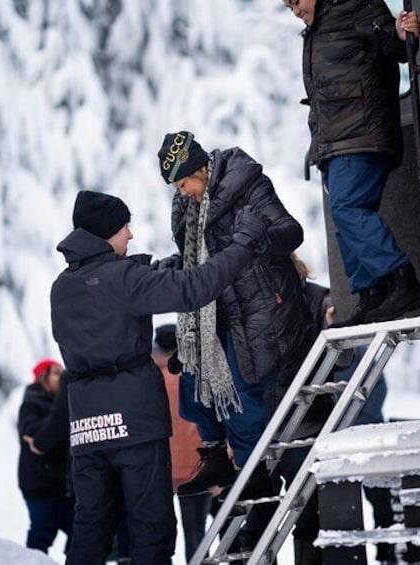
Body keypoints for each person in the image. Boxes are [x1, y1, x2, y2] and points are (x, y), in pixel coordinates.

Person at [49, 189, 269, 565]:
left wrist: (150, 271)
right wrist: (242, 243)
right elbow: (194, 288)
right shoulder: (124, 279)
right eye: (124, 228)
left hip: (86, 426)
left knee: (91, 528)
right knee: (152, 530)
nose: (130, 235)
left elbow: (106, 294)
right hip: (135, 423)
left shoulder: (62, 287)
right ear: (105, 233)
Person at [155, 131, 311, 507]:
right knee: (195, 379)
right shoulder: (185, 209)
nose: (182, 192)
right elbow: (199, 261)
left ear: (202, 168)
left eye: (185, 182)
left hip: (262, 307)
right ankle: (215, 455)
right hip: (215, 312)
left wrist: (251, 240)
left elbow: (291, 233)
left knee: (241, 390)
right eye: (176, 187)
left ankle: (253, 469)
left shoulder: (247, 183)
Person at [285, 0, 420, 327]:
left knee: (347, 207)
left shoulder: (355, 5)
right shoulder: (318, 26)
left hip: (361, 132)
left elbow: (393, 45)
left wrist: (403, 33)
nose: (293, 9)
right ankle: (371, 294)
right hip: (336, 141)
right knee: (343, 216)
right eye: (287, 5)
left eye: (296, 0)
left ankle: (401, 277)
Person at [152, 323, 212, 562]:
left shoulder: (150, 380)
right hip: (197, 467)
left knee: (157, 533)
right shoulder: (194, 376)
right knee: (196, 531)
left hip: (160, 469)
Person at [17, 359, 74, 554]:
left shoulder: (67, 403)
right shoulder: (31, 404)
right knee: (42, 533)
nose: (62, 377)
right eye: (56, 373)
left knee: (80, 533)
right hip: (40, 485)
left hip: (65, 486)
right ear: (43, 377)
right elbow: (35, 437)